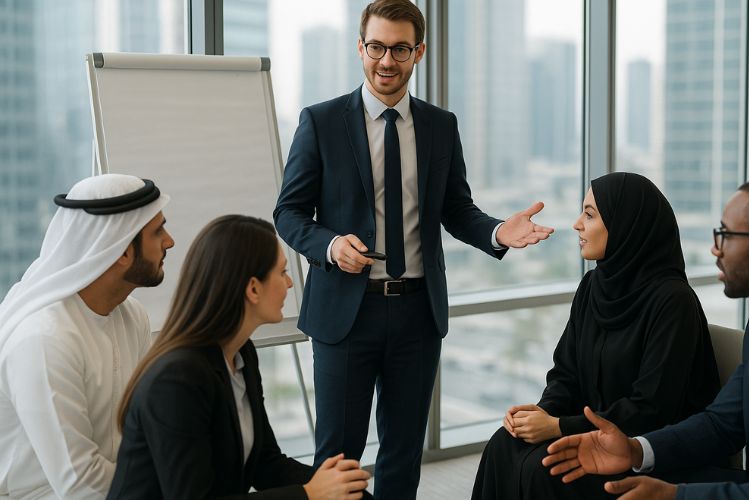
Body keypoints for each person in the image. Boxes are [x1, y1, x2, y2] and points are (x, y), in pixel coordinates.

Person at [273, 1, 553, 497]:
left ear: (418, 52)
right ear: (360, 49)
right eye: (377, 47)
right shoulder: (320, 122)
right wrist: (332, 245)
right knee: (337, 460)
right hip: (345, 316)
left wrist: (495, 232)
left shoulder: (440, 125)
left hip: (417, 315)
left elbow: (457, 210)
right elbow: (288, 214)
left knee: (404, 457)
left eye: (400, 49)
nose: (387, 60)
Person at [543, 176, 749, 499]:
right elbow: (722, 424)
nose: (715, 248)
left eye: (725, 235)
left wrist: (676, 496)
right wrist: (635, 450)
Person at [470, 172, 720, 499]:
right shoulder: (593, 287)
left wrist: (559, 427)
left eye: (589, 214)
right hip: (589, 435)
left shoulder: (673, 302)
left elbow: (652, 409)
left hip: (646, 449)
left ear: (626, 225)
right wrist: (541, 416)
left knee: (544, 470)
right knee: (505, 444)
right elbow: (565, 373)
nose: (576, 224)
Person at [107, 215, 371, 499]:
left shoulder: (240, 353)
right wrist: (308, 494)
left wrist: (344, 488)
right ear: (253, 289)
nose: (290, 283)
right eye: (282, 272)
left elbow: (265, 463)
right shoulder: (176, 379)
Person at [0, 174, 174, 499]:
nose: (170, 241)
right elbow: (78, 483)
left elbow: (142, 431)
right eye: (158, 231)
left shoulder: (131, 315)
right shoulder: (43, 339)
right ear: (122, 251)